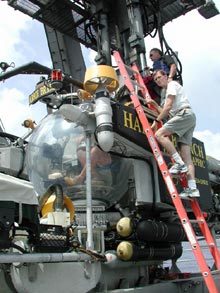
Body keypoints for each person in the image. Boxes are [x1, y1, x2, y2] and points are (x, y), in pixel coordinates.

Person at [148, 69, 200, 198]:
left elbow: (168, 107)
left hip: (184, 114)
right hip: (187, 117)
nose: (158, 81)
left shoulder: (171, 85)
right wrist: (154, 104)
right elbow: (167, 112)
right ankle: (193, 188)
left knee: (159, 134)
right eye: (156, 80)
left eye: (160, 77)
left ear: (166, 76)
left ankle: (179, 164)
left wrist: (156, 121)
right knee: (186, 156)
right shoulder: (167, 92)